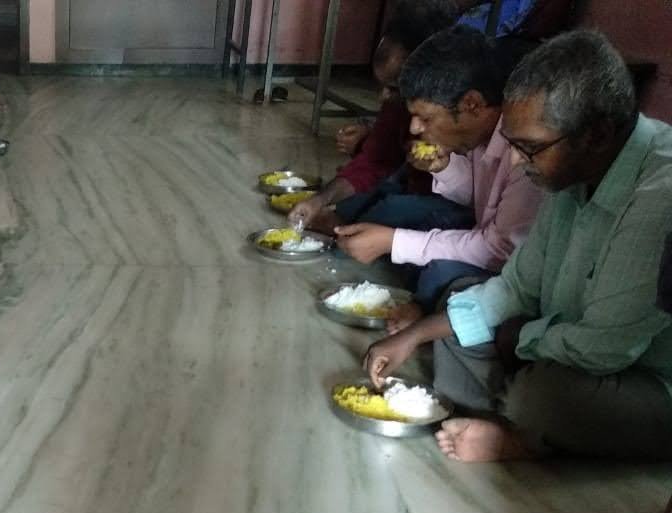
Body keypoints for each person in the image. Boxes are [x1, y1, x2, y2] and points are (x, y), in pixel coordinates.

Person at [363, 31, 672, 462]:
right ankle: (513, 416)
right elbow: (517, 286)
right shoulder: (575, 168)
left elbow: (604, 349)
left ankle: (522, 439)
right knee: (459, 301)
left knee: (539, 397)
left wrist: (518, 337)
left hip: (639, 376)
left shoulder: (659, 196)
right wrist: (416, 336)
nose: (514, 161)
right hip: (555, 340)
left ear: (598, 134)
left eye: (529, 148)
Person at [334, 27, 542, 318]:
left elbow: (500, 250)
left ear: (472, 104)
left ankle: (428, 311)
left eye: (425, 117)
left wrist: (394, 241)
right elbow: (480, 198)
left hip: (512, 264)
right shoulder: (479, 134)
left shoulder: (525, 150)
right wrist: (444, 168)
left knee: (438, 273)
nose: (415, 127)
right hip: (484, 234)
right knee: (398, 215)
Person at [288, 1, 462, 236]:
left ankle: (357, 229)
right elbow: (375, 159)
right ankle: (354, 224)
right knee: (362, 198)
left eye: (394, 88)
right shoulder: (398, 105)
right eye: (381, 86)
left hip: (450, 207)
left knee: (391, 208)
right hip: (410, 187)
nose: (383, 96)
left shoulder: (457, 110)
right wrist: (319, 199)